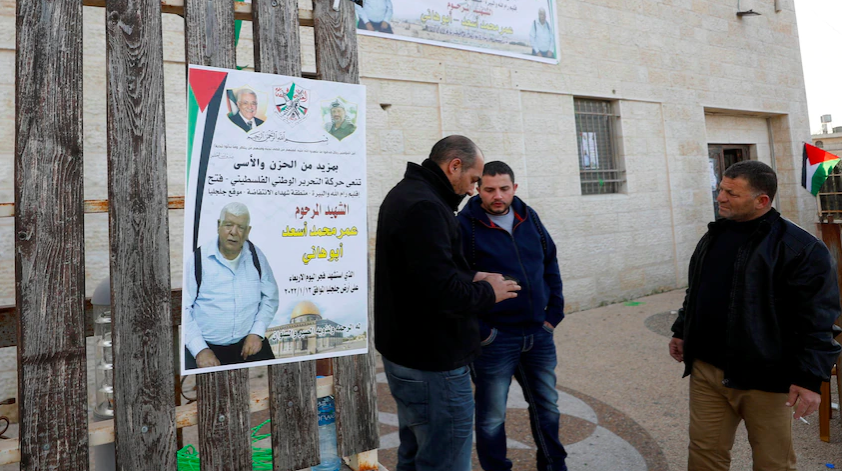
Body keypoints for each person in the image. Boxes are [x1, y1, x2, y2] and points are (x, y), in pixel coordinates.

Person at [669, 160, 841, 471]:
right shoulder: (714, 235)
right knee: (704, 455)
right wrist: (682, 329)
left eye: (731, 193)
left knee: (773, 463)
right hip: (708, 373)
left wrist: (809, 379)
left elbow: (818, 320)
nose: (720, 197)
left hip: (767, 380)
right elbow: (699, 290)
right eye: (721, 189)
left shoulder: (801, 249)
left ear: (762, 200)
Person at [375, 136, 521, 471]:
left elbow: (423, 273)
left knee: (416, 455)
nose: (473, 191)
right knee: (445, 461)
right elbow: (440, 294)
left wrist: (471, 276)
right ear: (453, 165)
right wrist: (490, 292)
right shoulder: (425, 206)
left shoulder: (410, 194)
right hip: (432, 362)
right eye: (473, 180)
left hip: (411, 355)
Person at [456, 161, 568, 471]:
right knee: (492, 416)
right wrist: (482, 331)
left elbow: (550, 263)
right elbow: (456, 278)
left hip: (538, 333)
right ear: (478, 189)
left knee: (548, 407)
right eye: (489, 189)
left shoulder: (528, 216)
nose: (497, 196)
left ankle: (553, 466)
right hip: (495, 338)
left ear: (514, 188)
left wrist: (554, 312)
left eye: (504, 189)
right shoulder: (465, 225)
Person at [184, 202, 279, 369]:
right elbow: (185, 308)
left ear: (248, 232)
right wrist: (200, 349)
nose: (234, 232)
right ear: (218, 226)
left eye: (241, 227)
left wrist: (257, 332)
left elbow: (270, 297)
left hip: (249, 344)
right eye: (228, 225)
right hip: (208, 347)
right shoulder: (198, 259)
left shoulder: (256, 256)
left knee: (274, 383)